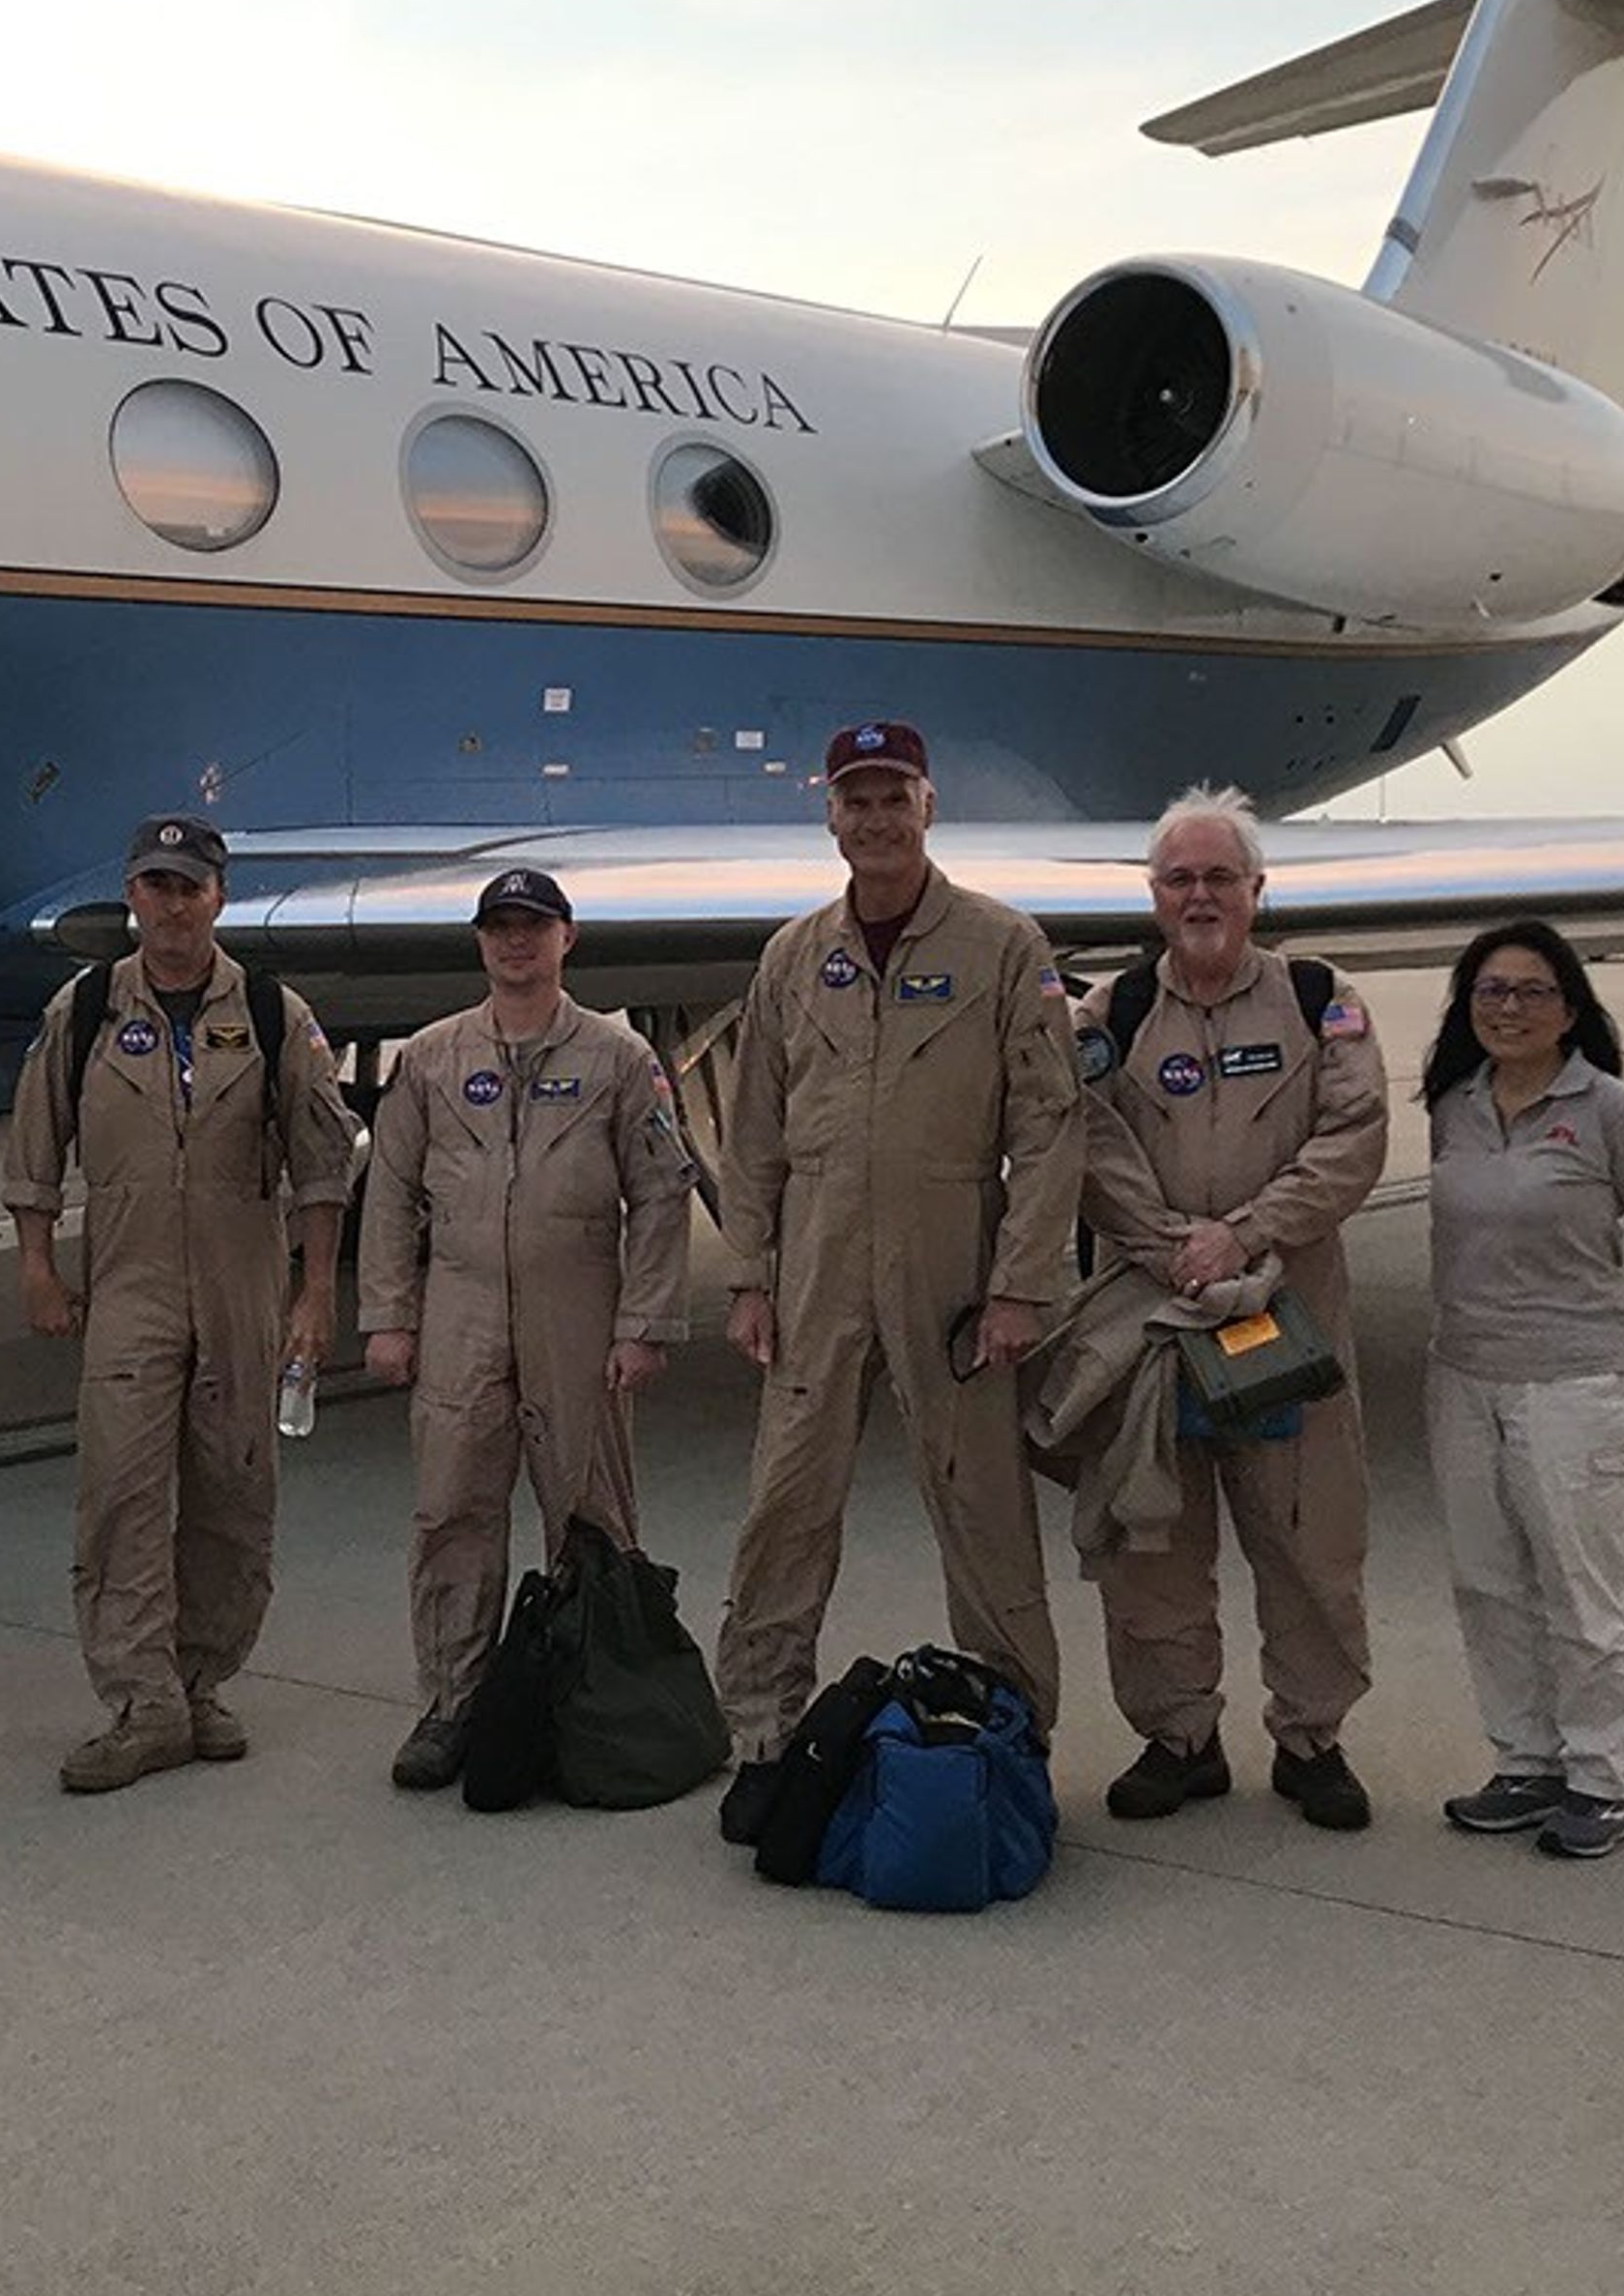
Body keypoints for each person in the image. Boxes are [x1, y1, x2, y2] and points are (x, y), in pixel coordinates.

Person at [708, 720, 1083, 1846]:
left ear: (929, 807)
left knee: (982, 1513)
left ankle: (1016, 1736)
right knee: (785, 1507)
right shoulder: (793, 955)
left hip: (950, 1268)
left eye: (893, 798)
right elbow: (756, 1129)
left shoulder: (1004, 947)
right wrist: (750, 1274)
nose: (873, 819)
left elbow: (1051, 1125)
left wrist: (1020, 1285)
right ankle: (764, 1737)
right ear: (829, 814)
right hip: (819, 1268)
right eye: (854, 800)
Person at [2, 813, 359, 1792]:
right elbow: (34, 1150)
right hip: (131, 1289)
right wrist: (36, 1267)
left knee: (234, 1493)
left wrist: (316, 1291)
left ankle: (202, 1681)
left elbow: (323, 1165)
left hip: (242, 1289)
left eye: (189, 885)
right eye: (156, 883)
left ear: (218, 897)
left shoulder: (275, 1015)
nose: (172, 902)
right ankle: (140, 1701)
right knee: (119, 1494)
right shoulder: (82, 1012)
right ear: (132, 895)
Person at [1073, 785, 1390, 1831]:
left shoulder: (1316, 998)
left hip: (1281, 1317)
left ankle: (1312, 1740)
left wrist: (1243, 1235)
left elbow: (1353, 1137)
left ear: (1257, 890)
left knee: (1306, 1532)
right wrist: (1173, 1250)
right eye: (1179, 879)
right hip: (1160, 1323)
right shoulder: (1111, 1016)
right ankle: (1179, 1738)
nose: (1199, 894)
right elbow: (1086, 1140)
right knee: (1151, 1536)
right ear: (1153, 897)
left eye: (1220, 877)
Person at [359, 866, 699, 1791]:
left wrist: (646, 1322)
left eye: (534, 926)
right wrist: (388, 1315)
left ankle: (600, 1697)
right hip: (460, 1309)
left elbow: (663, 1192)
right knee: (452, 1511)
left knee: (591, 1513)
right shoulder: (429, 1059)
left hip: (578, 1310)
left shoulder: (621, 1061)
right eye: (500, 926)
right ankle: (453, 1701)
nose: (517, 942)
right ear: (479, 942)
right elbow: (388, 1192)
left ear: (567, 938)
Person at [1418, 918, 1624, 1860]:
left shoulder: (1609, 1110)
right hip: (1464, 1378)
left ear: (1569, 1009)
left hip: (1576, 1385)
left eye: (1531, 991)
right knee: (1488, 1583)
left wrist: (1616, 1322)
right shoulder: (1453, 1104)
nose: (1507, 1008)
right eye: (1490, 990)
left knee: (1584, 1594)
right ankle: (1527, 1763)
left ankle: (1603, 1780)